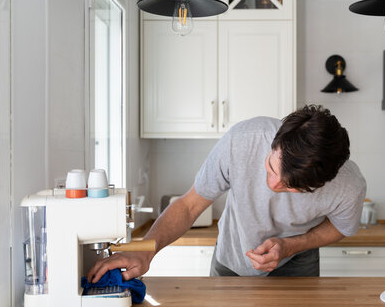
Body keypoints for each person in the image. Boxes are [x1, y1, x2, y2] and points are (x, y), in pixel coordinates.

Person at [87, 105, 366, 282]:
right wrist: (145, 251)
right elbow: (189, 206)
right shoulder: (243, 140)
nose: (273, 186)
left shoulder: (348, 185)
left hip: (297, 266)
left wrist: (290, 246)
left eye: (290, 187)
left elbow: (340, 228)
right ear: (275, 141)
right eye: (270, 169)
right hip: (230, 260)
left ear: (323, 182)